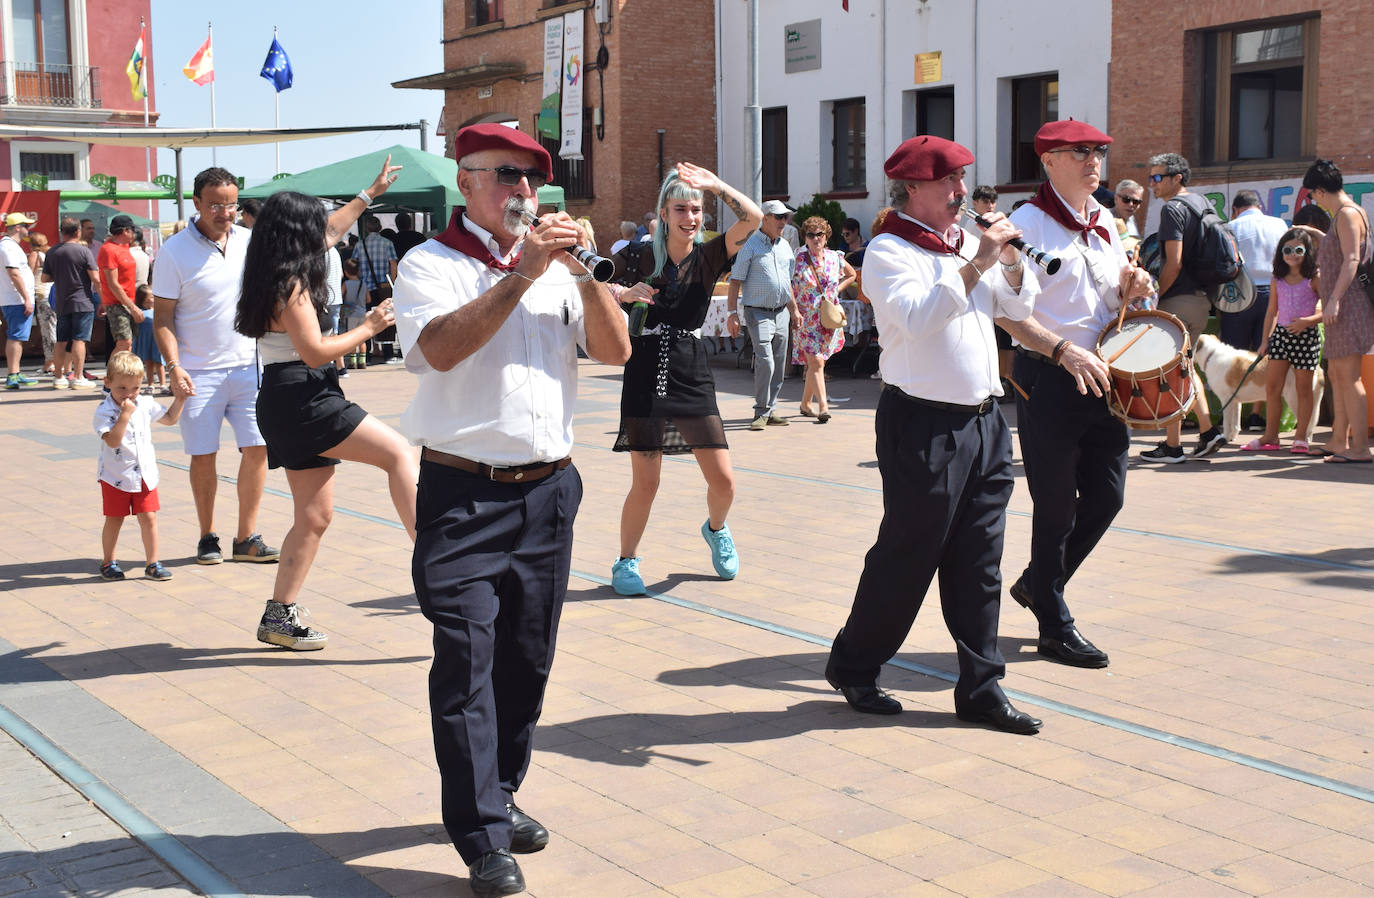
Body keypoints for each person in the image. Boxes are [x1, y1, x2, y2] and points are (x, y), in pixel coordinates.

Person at [391, 122, 630, 897]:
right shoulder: (427, 264)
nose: (523, 194)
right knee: (466, 662)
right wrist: (523, 274)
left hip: (549, 492)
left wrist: (586, 276)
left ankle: (499, 791)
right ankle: (482, 836)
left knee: (527, 660)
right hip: (463, 494)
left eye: (532, 181)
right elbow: (442, 349)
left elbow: (617, 351)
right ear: (466, 182)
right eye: (506, 177)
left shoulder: (559, 269)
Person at [824, 134, 1043, 734]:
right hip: (921, 422)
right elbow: (919, 318)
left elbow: (1018, 313)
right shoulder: (889, 251)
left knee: (982, 560)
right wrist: (976, 263)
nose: (961, 193)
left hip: (985, 421)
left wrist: (1014, 263)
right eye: (949, 182)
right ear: (913, 189)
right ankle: (855, 663)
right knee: (908, 553)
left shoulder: (965, 242)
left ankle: (981, 685)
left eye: (963, 180)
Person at [233, 168, 419, 652]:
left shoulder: (272, 269)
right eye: (314, 224)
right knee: (398, 453)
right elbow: (315, 350)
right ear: (297, 233)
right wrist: (372, 325)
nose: (325, 231)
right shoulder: (290, 284)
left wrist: (368, 193)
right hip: (304, 395)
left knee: (314, 516)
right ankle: (437, 563)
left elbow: (335, 228)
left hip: (285, 396)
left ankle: (279, 616)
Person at [1001, 120, 1155, 669]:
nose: (1095, 161)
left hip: (1106, 375)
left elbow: (1115, 295)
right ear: (1049, 161)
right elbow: (1004, 312)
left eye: (1099, 152)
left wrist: (1133, 289)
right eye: (1081, 152)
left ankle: (1040, 584)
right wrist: (1063, 350)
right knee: (1056, 505)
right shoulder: (1023, 227)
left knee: (1108, 497)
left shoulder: (1105, 222)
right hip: (1050, 375)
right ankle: (1053, 622)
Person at [608, 165, 763, 597]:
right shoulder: (639, 254)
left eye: (696, 209)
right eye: (681, 209)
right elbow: (589, 280)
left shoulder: (710, 253)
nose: (690, 217)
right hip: (644, 367)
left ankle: (716, 529)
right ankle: (626, 562)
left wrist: (717, 185)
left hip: (691, 368)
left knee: (724, 481)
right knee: (647, 481)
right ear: (663, 213)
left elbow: (752, 219)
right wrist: (621, 293)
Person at [152, 167, 281, 565]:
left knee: (258, 448)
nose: (225, 213)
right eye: (216, 205)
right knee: (204, 454)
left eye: (231, 204)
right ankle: (208, 535)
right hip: (198, 372)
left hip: (249, 367)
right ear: (196, 203)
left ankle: (246, 537)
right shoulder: (174, 251)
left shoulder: (250, 241)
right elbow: (162, 319)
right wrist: (174, 367)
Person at [1139, 153, 1226, 462]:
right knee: (1182, 367)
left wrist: (1157, 296)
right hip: (1203, 299)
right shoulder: (1203, 204)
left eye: (1158, 177)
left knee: (1171, 371)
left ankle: (1178, 445)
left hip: (1178, 299)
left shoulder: (1173, 210)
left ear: (1178, 178)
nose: (1152, 184)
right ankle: (1198, 434)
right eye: (1150, 177)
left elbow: (1173, 263)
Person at [1303, 159, 1374, 463]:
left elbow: (1351, 260)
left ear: (1320, 190)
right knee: (1338, 374)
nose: (1312, 200)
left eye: (1311, 195)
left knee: (1349, 376)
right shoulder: (1348, 213)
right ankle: (1338, 440)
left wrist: (1333, 300)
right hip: (1345, 305)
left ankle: (1359, 446)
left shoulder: (1345, 214)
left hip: (1347, 305)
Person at [95, 351, 185, 582]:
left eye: (134, 388)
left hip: (145, 474)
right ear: (108, 383)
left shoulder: (144, 403)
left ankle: (152, 563)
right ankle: (109, 562)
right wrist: (124, 415)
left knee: (149, 517)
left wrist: (181, 399)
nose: (129, 394)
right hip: (116, 476)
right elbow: (112, 440)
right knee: (115, 519)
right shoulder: (104, 411)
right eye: (121, 388)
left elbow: (169, 419)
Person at [1242, 228, 1323, 454]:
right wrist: (1265, 340)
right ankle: (1270, 436)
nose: (1292, 254)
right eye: (1287, 250)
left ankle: (1300, 437)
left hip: (1306, 337)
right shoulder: (1277, 278)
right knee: (1272, 387)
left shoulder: (1314, 278)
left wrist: (1308, 321)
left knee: (1303, 388)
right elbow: (1271, 311)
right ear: (1281, 252)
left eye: (1298, 249)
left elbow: (1330, 309)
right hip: (1280, 337)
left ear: (1307, 252)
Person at [727, 198, 799, 429]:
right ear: (764, 218)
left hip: (782, 313)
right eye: (778, 217)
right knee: (766, 361)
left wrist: (794, 311)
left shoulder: (785, 245)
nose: (783, 221)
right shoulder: (750, 246)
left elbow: (787, 284)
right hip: (758, 313)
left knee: (779, 364)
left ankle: (770, 409)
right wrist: (732, 313)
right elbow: (735, 281)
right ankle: (760, 411)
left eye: (785, 217)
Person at [1227, 189, 1289, 430]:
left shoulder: (1231, 226)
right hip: (1272, 293)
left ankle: (1232, 415)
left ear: (1236, 209)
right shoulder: (1279, 224)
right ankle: (1256, 414)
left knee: (1235, 355)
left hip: (1239, 294)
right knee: (1265, 355)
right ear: (1259, 206)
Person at [791, 216, 855, 423]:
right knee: (816, 362)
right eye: (811, 235)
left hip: (827, 317)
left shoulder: (835, 257)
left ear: (826, 236)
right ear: (805, 238)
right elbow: (788, 285)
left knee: (817, 364)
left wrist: (836, 290)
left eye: (820, 234)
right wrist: (794, 311)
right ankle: (824, 407)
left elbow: (852, 275)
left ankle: (805, 404)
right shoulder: (798, 259)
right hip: (806, 319)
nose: (816, 238)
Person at [43, 218, 100, 390]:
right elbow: (95, 278)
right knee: (79, 340)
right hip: (83, 301)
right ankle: (79, 377)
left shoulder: (52, 252)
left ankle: (59, 377)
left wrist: (61, 276)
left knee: (61, 341)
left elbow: (45, 278)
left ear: (62, 231)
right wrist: (103, 300)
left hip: (62, 302)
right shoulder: (84, 252)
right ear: (78, 232)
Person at [2, 212, 37, 389]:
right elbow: (14, 273)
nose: (28, 229)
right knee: (16, 336)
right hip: (16, 299)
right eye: (26, 226)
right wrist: (26, 299)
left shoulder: (11, 246)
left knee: (18, 336)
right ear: (17, 227)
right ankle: (13, 374)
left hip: (16, 299)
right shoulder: (8, 246)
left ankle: (15, 372)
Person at [98, 214, 143, 355]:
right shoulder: (109, 250)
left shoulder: (123, 247)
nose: (134, 234)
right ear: (125, 231)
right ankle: (112, 376)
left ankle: (122, 374)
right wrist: (132, 307)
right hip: (116, 303)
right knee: (124, 342)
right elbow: (113, 284)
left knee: (129, 344)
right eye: (132, 230)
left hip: (128, 301)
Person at [27, 232, 55, 375]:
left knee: (47, 330)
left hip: (41, 294)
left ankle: (50, 363)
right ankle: (53, 362)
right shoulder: (50, 253)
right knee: (52, 327)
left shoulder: (34, 255)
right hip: (52, 294)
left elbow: (29, 274)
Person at [130, 285, 165, 392]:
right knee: (149, 363)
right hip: (146, 341)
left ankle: (163, 385)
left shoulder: (158, 310)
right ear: (143, 298)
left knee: (159, 363)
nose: (154, 299)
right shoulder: (138, 312)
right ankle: (151, 384)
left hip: (157, 340)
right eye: (151, 297)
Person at [339, 258, 369, 369]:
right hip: (362, 313)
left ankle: (353, 362)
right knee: (362, 339)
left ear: (346, 272)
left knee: (352, 338)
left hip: (350, 314)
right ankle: (362, 362)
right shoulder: (363, 284)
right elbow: (368, 299)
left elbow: (340, 297)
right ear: (359, 271)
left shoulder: (346, 284)